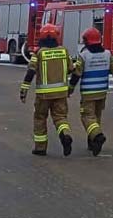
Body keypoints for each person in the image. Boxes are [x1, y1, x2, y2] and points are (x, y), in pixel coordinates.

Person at [69, 27, 113, 156]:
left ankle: (97, 136)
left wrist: (70, 89)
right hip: (102, 92)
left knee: (87, 117)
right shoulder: (108, 54)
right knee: (96, 117)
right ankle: (92, 143)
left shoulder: (84, 56)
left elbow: (77, 74)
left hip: (88, 93)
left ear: (87, 41)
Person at [20, 24, 73, 156]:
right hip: (61, 93)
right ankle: (65, 134)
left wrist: (24, 89)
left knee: (40, 118)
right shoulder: (64, 51)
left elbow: (30, 72)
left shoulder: (39, 53)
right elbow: (71, 69)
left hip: (43, 95)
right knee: (60, 118)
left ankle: (40, 148)